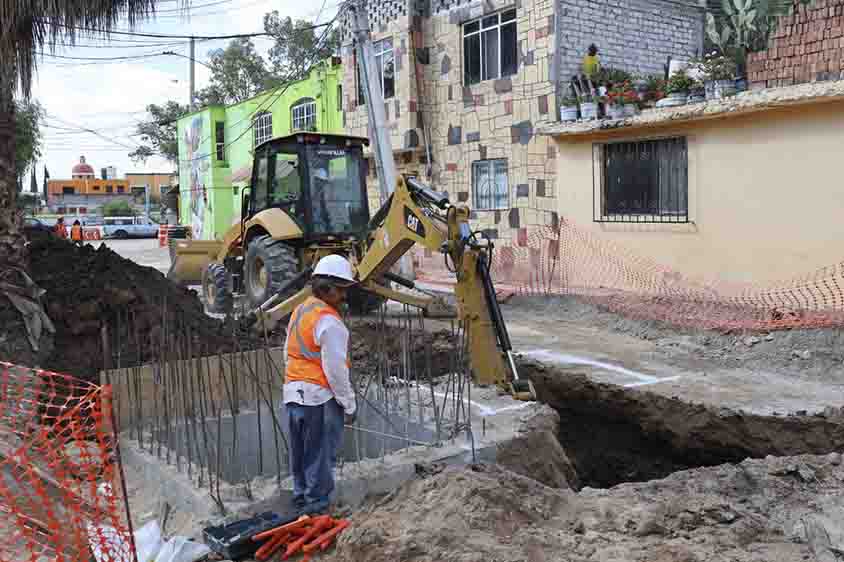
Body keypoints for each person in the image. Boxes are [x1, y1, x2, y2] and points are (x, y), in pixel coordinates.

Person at [284, 254, 357, 516]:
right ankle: (317, 510)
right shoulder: (329, 321)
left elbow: (288, 353)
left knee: (301, 454)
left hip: (293, 395)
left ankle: (302, 501)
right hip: (319, 400)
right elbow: (335, 370)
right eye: (341, 291)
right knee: (320, 456)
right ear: (327, 289)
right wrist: (349, 404)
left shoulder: (300, 310)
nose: (344, 298)